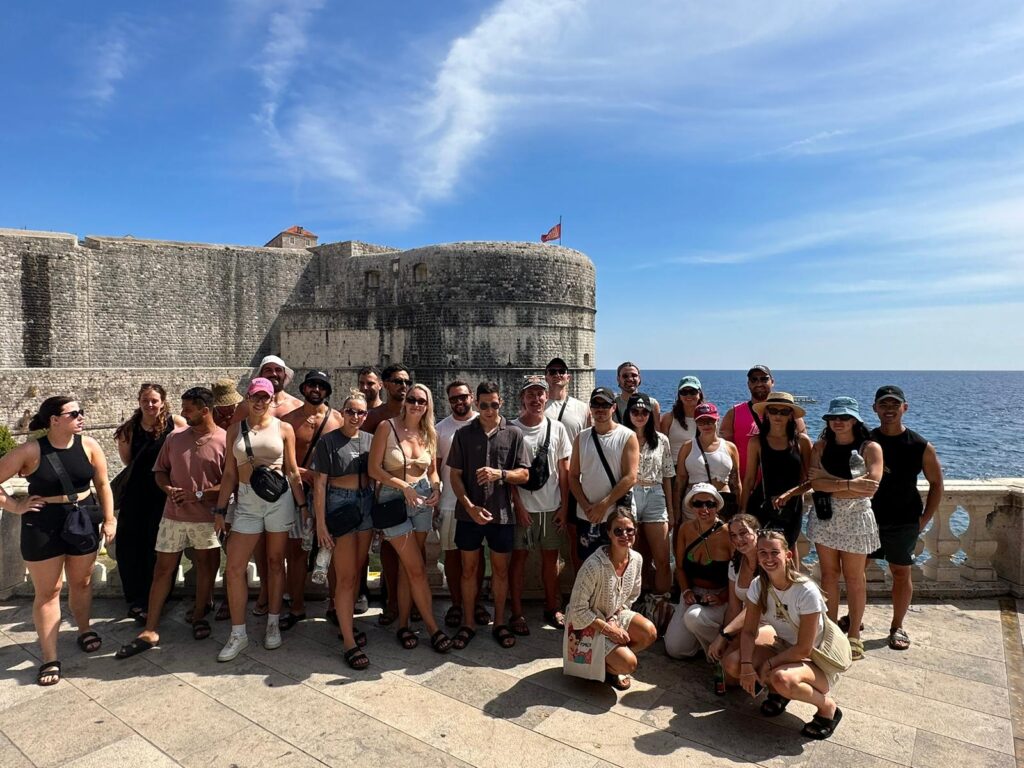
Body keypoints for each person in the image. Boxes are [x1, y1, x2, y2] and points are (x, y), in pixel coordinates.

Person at [0, 397, 116, 685]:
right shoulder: (30, 450)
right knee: (49, 591)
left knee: (82, 582)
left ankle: (84, 629)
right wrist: (15, 506)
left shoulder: (89, 445)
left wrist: (110, 519)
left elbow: (102, 484)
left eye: (82, 412)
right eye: (74, 413)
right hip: (43, 523)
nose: (81, 417)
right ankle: (50, 657)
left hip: (82, 517)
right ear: (54, 419)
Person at [115, 387, 226, 658]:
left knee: (205, 568)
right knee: (162, 570)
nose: (183, 413)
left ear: (205, 410)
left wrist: (198, 494)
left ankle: (200, 614)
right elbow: (160, 471)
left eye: (189, 409)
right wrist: (168, 490)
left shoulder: (224, 440)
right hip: (172, 516)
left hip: (206, 518)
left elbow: (230, 484)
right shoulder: (175, 438)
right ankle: (150, 627)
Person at [214, 377, 307, 662]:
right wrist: (220, 511)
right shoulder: (234, 430)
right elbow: (229, 473)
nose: (259, 401)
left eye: (265, 397)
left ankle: (273, 623)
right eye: (255, 396)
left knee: (276, 562)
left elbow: (292, 471)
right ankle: (238, 633)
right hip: (247, 500)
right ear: (247, 397)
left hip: (279, 500)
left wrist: (302, 505)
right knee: (235, 567)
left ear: (271, 399)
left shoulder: (284, 428)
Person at [724, 530, 845, 740]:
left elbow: (804, 649)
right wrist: (745, 666)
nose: (768, 558)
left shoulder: (806, 591)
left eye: (774, 552)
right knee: (733, 663)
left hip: (815, 659)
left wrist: (768, 665)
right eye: (763, 553)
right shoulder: (759, 585)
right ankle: (777, 693)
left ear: (787, 555)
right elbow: (750, 630)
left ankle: (828, 709)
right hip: (784, 648)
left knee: (781, 678)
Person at [368, 382, 452, 653]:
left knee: (409, 568)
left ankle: (403, 625)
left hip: (422, 499)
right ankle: (432, 628)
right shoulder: (387, 428)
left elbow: (434, 472)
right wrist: (403, 486)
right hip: (394, 500)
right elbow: (374, 469)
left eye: (422, 401)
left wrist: (437, 488)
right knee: (416, 568)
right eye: (413, 399)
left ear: (428, 405)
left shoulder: (429, 433)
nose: (417, 404)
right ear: (405, 402)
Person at [447, 381, 531, 650]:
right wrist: (469, 505)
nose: (489, 410)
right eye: (484, 405)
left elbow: (525, 474)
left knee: (500, 572)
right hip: (469, 514)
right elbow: (454, 476)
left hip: (502, 515)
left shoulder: (514, 434)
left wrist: (501, 474)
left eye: (494, 404)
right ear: (476, 404)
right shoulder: (463, 434)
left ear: (501, 403)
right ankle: (468, 623)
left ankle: (499, 623)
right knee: (468, 570)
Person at [869, 385, 944, 651]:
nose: (889, 409)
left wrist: (924, 519)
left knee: (901, 573)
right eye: (884, 404)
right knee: (853, 571)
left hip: (904, 519)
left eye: (894, 404)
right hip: (866, 519)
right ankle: (854, 620)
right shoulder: (866, 441)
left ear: (904, 408)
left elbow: (937, 484)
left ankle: (897, 626)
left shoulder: (920, 445)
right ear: (874, 408)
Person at [808, 397, 881, 662]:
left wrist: (831, 484)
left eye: (844, 417)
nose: (838, 422)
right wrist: (850, 486)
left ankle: (853, 635)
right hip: (826, 516)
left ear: (855, 420)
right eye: (833, 418)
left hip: (856, 520)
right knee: (828, 575)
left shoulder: (869, 447)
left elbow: (872, 484)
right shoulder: (820, 446)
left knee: (854, 578)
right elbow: (815, 483)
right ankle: (829, 632)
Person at [231, 355, 302, 617]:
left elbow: (297, 457)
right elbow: (233, 450)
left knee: (288, 553)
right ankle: (264, 593)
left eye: (277, 370)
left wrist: (303, 498)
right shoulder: (244, 410)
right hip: (251, 491)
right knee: (259, 551)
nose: (273, 373)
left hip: (282, 489)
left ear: (285, 375)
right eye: (267, 369)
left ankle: (293, 601)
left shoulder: (297, 407)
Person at [311, 391, 375, 669]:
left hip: (365, 505)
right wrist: (321, 524)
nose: (356, 417)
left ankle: (345, 622)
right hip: (340, 503)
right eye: (351, 411)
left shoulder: (371, 440)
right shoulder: (328, 442)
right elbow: (320, 485)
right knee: (347, 577)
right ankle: (348, 641)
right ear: (342, 412)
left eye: (361, 413)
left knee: (356, 573)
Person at [112, 383, 185, 623]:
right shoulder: (129, 430)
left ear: (163, 401)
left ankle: (158, 599)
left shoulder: (176, 423)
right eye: (145, 400)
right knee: (130, 546)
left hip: (164, 492)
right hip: (136, 493)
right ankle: (135, 600)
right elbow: (127, 461)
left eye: (154, 400)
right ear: (139, 401)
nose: (150, 405)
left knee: (161, 547)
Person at [565, 509, 657, 691]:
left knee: (650, 632)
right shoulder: (593, 566)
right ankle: (605, 666)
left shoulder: (636, 559)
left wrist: (615, 619)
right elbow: (577, 611)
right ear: (608, 533)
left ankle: (611, 663)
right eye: (618, 531)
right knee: (629, 664)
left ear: (635, 531)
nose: (625, 535)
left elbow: (631, 596)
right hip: (586, 626)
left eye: (629, 530)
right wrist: (609, 630)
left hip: (613, 616)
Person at [280, 370, 344, 630]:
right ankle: (296, 606)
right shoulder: (289, 420)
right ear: (303, 389)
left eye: (321, 386)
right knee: (295, 553)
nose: (316, 390)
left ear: (327, 391)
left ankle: (334, 605)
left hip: (329, 493)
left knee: (332, 551)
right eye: (311, 385)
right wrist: (302, 473)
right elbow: (281, 458)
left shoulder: (338, 419)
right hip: (297, 492)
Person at [510, 377, 572, 632]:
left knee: (551, 560)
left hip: (551, 506)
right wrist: (519, 507)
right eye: (531, 394)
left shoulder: (557, 428)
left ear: (547, 397)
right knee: (519, 560)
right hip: (523, 507)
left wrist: (564, 507)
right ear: (522, 398)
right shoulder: (512, 429)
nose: (536, 399)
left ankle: (552, 606)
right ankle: (516, 612)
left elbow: (564, 471)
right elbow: (509, 474)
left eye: (540, 394)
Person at [362, 363, 411, 625]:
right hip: (384, 492)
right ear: (386, 384)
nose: (403, 386)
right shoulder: (374, 417)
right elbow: (362, 456)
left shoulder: (416, 411)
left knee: (413, 550)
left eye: (406, 382)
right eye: (397, 381)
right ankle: (392, 601)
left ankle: (408, 600)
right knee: (390, 551)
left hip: (414, 492)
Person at [434, 380, 485, 629]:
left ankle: (476, 603)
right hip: (450, 503)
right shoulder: (441, 429)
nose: (459, 402)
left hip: (481, 502)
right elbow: (436, 468)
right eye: (454, 398)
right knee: (452, 556)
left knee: (478, 556)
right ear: (448, 400)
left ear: (472, 397)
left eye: (463, 397)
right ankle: (457, 603)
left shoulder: (484, 423)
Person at [663, 484, 733, 659]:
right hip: (693, 592)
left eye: (710, 504)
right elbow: (679, 567)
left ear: (717, 506)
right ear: (691, 506)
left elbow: (737, 576)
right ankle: (703, 642)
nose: (704, 509)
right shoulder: (685, 529)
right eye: (698, 504)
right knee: (675, 649)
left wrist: (722, 597)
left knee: (694, 617)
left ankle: (722, 649)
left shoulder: (728, 533)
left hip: (720, 597)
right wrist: (686, 590)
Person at [570, 387, 639, 561]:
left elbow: (631, 476)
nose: (600, 409)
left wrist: (603, 505)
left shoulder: (627, 436)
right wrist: (586, 506)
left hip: (616, 516)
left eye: (605, 404)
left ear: (613, 407)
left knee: (618, 561)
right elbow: (573, 476)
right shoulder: (581, 437)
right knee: (587, 562)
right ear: (590, 407)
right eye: (596, 404)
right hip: (587, 515)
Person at [741, 392, 812, 550]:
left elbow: (811, 480)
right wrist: (743, 512)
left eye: (784, 411)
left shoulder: (802, 441)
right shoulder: (756, 442)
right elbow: (749, 481)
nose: (778, 415)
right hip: (761, 505)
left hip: (792, 507)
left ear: (791, 415)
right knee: (760, 553)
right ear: (766, 412)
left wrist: (790, 494)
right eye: (773, 410)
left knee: (788, 551)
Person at [706, 514, 769, 681]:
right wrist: (727, 638)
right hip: (747, 624)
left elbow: (753, 609)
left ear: (757, 532)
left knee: (733, 664)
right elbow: (734, 607)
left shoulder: (768, 563)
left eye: (743, 533)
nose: (738, 539)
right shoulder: (735, 565)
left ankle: (773, 683)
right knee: (726, 675)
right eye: (733, 535)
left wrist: (723, 635)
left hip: (769, 624)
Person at [721, 365, 807, 484]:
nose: (759, 383)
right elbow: (725, 452)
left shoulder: (790, 414)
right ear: (748, 384)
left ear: (772, 382)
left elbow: (802, 452)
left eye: (764, 379)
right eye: (754, 379)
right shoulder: (734, 413)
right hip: (746, 486)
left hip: (785, 489)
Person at [543, 356, 590, 573]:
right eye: (552, 371)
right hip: (547, 479)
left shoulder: (582, 408)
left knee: (576, 536)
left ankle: (578, 589)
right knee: (547, 541)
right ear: (546, 376)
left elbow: (590, 441)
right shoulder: (539, 406)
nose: (557, 375)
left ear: (568, 377)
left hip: (574, 478)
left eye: (561, 371)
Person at [626, 393, 675, 595]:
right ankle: (630, 604)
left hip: (655, 493)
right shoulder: (621, 438)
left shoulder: (661, 440)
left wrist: (671, 511)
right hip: (630, 493)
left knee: (662, 558)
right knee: (631, 557)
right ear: (628, 413)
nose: (640, 416)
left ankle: (661, 603)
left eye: (644, 412)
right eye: (635, 411)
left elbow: (667, 476)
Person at [675, 403, 741, 520]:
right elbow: (680, 481)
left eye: (710, 420)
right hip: (694, 506)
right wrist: (676, 511)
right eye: (701, 421)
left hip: (723, 505)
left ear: (717, 419)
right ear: (696, 423)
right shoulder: (687, 447)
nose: (706, 425)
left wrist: (741, 510)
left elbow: (736, 483)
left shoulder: (730, 448)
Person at [659, 375, 703, 466]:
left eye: (692, 392)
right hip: (674, 468)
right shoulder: (669, 418)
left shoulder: (706, 419)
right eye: (684, 392)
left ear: (699, 394)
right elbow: (662, 448)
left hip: (699, 470)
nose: (688, 395)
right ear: (679, 395)